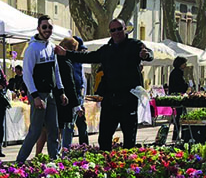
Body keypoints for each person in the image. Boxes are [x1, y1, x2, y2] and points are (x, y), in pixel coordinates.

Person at [58, 18, 152, 151]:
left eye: (119, 29)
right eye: (113, 30)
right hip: (110, 98)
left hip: (128, 98)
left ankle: (128, 166)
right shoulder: (106, 50)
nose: (117, 32)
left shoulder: (134, 45)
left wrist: (146, 55)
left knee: (129, 138)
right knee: (104, 138)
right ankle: (106, 165)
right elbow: (87, 57)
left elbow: (149, 53)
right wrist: (66, 53)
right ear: (110, 32)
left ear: (125, 29)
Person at [17, 15, 66, 163]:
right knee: (36, 130)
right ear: (38, 28)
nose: (47, 30)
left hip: (50, 93)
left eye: (50, 27)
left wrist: (61, 91)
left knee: (54, 129)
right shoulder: (32, 48)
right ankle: (20, 161)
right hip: (38, 94)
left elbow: (56, 70)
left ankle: (54, 160)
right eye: (44, 27)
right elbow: (27, 75)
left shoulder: (51, 46)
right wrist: (35, 96)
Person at [55, 36, 82, 151]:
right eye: (73, 49)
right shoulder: (65, 62)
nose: (74, 52)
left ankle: (58, 151)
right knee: (64, 127)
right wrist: (76, 104)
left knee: (56, 128)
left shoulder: (56, 60)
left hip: (59, 97)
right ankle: (63, 151)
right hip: (65, 99)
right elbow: (69, 83)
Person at [166, 56, 190, 141]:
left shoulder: (175, 72)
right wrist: (186, 85)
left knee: (179, 117)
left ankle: (177, 135)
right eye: (184, 64)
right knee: (180, 117)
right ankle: (180, 135)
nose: (185, 65)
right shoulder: (178, 73)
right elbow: (181, 85)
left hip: (176, 96)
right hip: (178, 97)